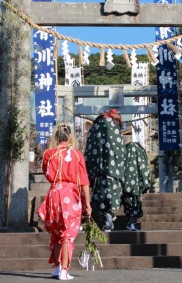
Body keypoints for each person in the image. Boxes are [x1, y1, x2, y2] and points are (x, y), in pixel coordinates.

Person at [37, 123, 92, 280]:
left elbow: (47, 174)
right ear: (69, 137)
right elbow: (84, 182)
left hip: (53, 194)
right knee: (67, 234)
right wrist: (87, 203)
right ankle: (64, 270)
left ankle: (56, 267)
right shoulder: (76, 155)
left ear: (56, 137)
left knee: (55, 233)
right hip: (69, 195)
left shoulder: (49, 154)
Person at [84, 109, 126, 232]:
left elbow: (89, 151)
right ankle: (109, 217)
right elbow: (120, 151)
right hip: (112, 173)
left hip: (98, 173)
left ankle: (107, 219)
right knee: (111, 198)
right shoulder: (115, 129)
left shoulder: (95, 128)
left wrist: (91, 171)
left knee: (101, 198)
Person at [122, 142, 151, 231]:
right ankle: (132, 223)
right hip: (137, 184)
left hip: (126, 184)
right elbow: (145, 169)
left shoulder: (125, 152)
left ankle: (130, 222)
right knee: (135, 203)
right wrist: (145, 182)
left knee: (128, 204)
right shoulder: (140, 152)